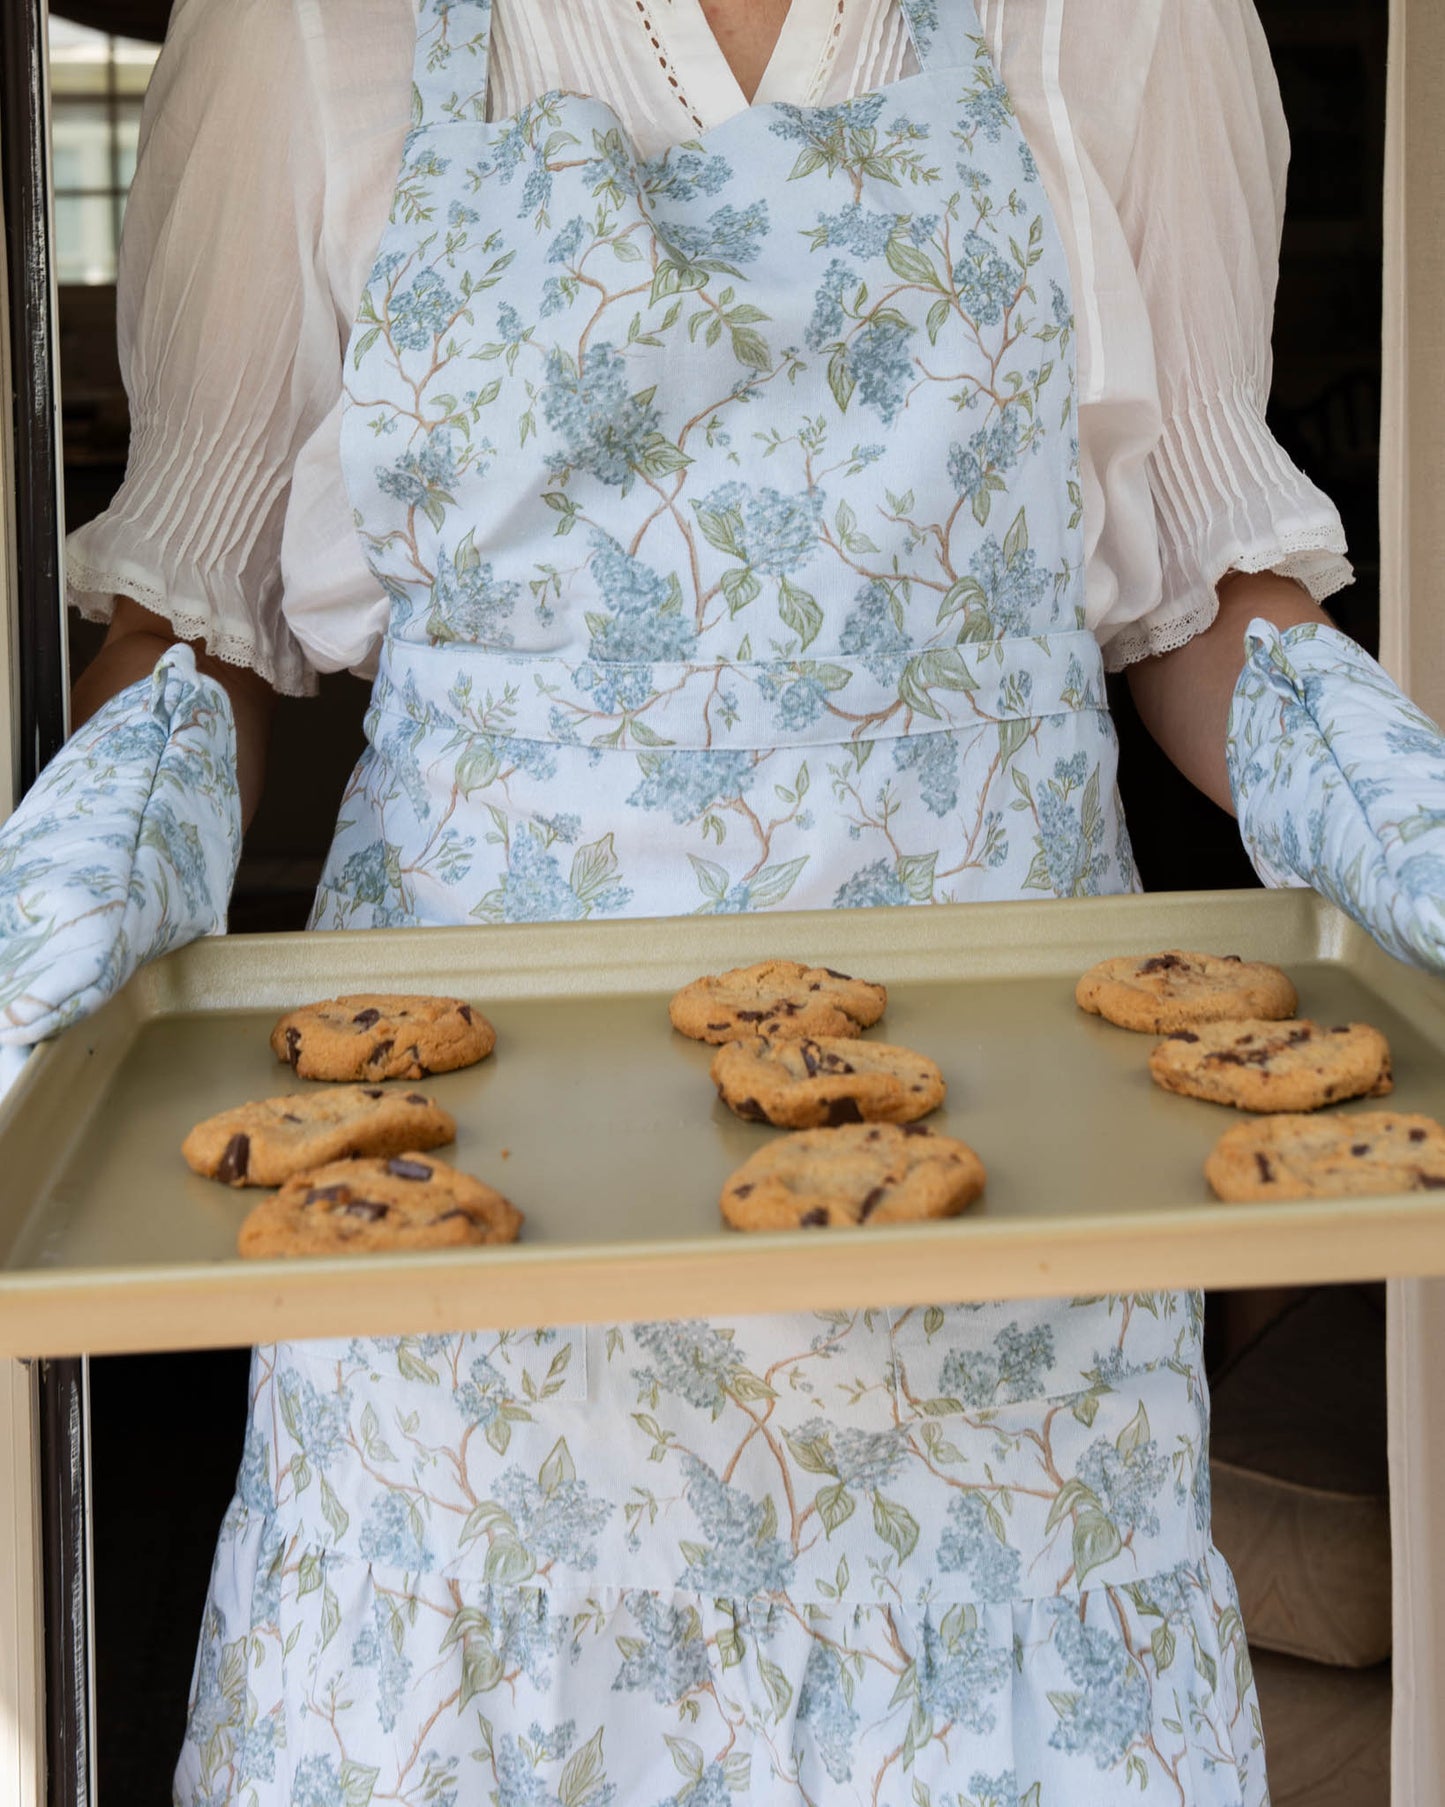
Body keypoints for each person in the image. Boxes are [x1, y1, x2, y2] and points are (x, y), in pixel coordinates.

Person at [13, 0, 1430, 1799]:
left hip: (1001, 1270)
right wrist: (76, 883)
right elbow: (198, 625)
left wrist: (1398, 815)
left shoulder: (1127, 20)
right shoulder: (307, 26)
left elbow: (1193, 589)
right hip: (469, 1289)